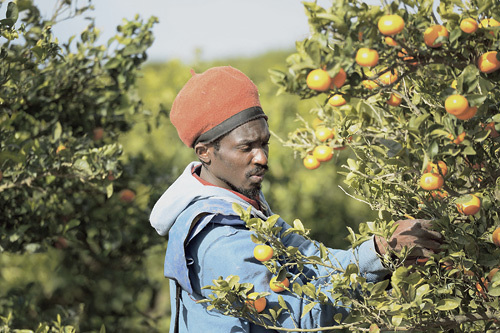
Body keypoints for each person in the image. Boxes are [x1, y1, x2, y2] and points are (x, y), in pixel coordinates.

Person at [150, 66, 442, 332]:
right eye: (246, 148)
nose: (262, 158)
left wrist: (383, 250)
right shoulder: (219, 236)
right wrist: (379, 254)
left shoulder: (240, 204)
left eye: (264, 143)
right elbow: (296, 319)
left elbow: (314, 261)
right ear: (205, 152)